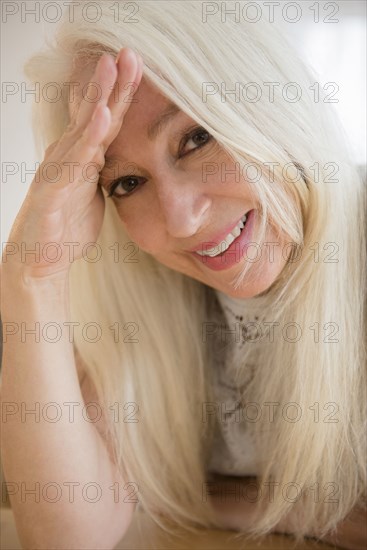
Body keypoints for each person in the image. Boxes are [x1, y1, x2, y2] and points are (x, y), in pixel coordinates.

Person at [1, 1, 366, 549]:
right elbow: (68, 538)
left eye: (196, 138)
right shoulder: (136, 295)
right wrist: (33, 279)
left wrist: (212, 498)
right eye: (126, 183)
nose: (180, 218)